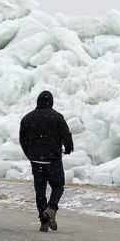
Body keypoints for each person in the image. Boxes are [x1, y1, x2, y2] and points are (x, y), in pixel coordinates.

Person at [19, 90, 74, 232]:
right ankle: (51, 208)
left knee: (40, 191)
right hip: (53, 159)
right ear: (51, 102)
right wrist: (68, 148)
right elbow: (66, 135)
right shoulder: (57, 117)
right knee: (58, 186)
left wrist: (30, 154)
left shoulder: (27, 118)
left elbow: (23, 140)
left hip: (36, 161)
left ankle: (44, 221)